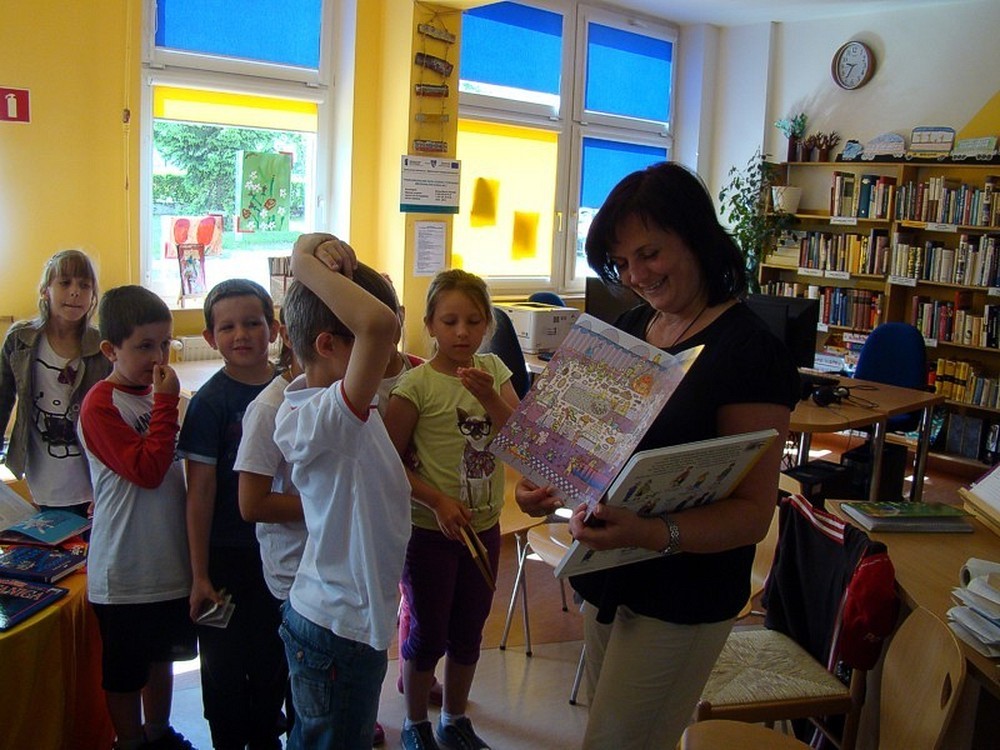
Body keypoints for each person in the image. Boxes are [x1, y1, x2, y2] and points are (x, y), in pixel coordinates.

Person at [515, 161, 800, 749]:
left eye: (649, 254)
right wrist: (548, 481)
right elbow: (591, 447)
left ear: (695, 238)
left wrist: (649, 534)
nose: (636, 275)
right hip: (608, 574)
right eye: (622, 263)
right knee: (610, 733)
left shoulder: (748, 351)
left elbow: (753, 514)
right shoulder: (632, 325)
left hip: (683, 593)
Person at [235, 281, 418, 747]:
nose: (388, 355)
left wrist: (331, 267)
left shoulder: (328, 405)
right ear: (328, 346)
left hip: (342, 620)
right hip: (338, 628)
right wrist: (305, 260)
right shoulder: (328, 418)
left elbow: (377, 326)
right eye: (374, 348)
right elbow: (380, 324)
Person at [384, 269, 520, 750]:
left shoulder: (495, 372)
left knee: (468, 630)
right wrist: (437, 500)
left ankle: (454, 719)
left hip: (483, 528)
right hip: (428, 532)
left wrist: (488, 397)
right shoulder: (415, 386)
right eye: (450, 321)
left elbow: (520, 439)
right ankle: (415, 723)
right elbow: (389, 464)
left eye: (474, 321)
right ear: (429, 325)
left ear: (488, 325)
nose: (462, 332)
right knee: (427, 632)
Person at [78, 285, 195, 750]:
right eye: (145, 346)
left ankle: (159, 733)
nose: (159, 356)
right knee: (125, 673)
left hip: (167, 563)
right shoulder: (100, 404)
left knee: (161, 659)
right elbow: (148, 471)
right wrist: (167, 405)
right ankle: (128, 742)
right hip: (124, 570)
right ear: (111, 350)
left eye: (165, 343)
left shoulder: (157, 396)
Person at [178, 279, 286, 749]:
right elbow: (199, 493)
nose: (241, 334)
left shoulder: (294, 390)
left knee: (272, 659)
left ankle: (266, 735)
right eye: (227, 327)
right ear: (210, 337)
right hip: (225, 556)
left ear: (274, 329)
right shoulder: (208, 404)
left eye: (252, 323)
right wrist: (200, 574)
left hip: (280, 553)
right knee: (222, 665)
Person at [0, 249, 110, 516]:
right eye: (65, 283)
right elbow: (2, 398)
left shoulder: (103, 345)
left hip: (94, 477)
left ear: (93, 295)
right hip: (44, 476)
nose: (75, 292)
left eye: (84, 285)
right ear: (45, 290)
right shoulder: (20, 339)